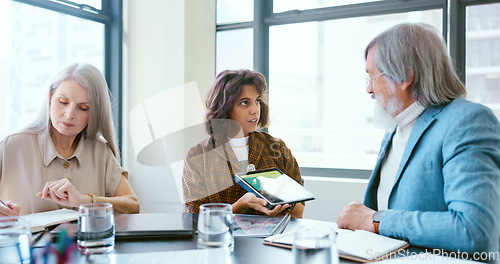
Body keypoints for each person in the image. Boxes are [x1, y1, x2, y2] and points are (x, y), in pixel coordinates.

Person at [336, 23, 500, 255]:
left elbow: (474, 230)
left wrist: (376, 220)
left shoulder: (468, 121)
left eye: (372, 77)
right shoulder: (395, 128)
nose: (369, 90)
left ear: (405, 76)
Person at [0, 62, 140, 216]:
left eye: (83, 108)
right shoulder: (10, 146)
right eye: (63, 102)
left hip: (89, 240)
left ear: (95, 113)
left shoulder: (100, 151)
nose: (69, 114)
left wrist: (85, 201)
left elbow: (132, 204)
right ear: (50, 97)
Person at [182, 69, 304, 218]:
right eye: (245, 103)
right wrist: (240, 205)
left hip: (271, 240)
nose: (254, 110)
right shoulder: (198, 156)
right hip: (222, 240)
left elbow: (299, 212)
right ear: (225, 107)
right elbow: (195, 218)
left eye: (257, 101)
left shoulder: (278, 148)